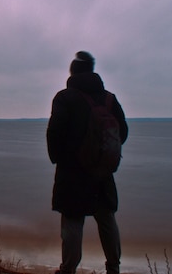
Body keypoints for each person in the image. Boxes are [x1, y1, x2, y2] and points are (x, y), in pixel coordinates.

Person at [46, 51, 128, 274]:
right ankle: (114, 267)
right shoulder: (109, 98)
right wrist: (103, 155)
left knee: (72, 221)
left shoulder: (65, 98)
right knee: (107, 219)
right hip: (102, 172)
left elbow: (54, 133)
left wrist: (59, 159)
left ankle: (68, 269)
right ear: (92, 71)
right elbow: (123, 132)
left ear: (72, 72)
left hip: (72, 172)